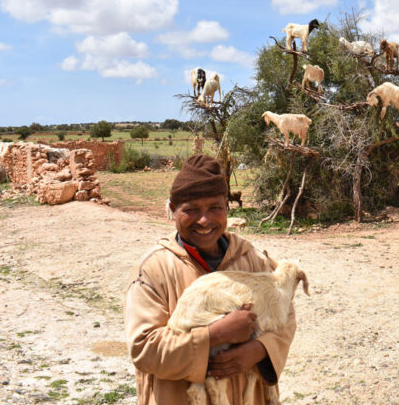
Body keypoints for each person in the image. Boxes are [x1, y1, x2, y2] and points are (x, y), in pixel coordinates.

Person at [124, 154, 296, 405]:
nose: (204, 220)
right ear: (172, 209)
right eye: (191, 209)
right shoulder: (153, 270)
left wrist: (259, 349)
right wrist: (215, 335)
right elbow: (144, 349)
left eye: (215, 207)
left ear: (226, 206)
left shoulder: (253, 259)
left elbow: (285, 318)